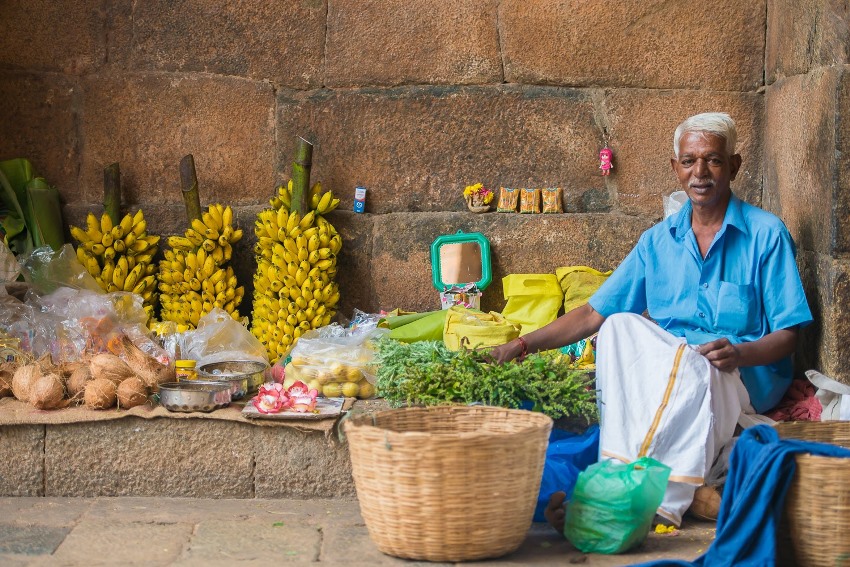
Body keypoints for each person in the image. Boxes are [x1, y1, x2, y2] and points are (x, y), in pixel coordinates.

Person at [490, 112, 813, 529]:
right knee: (619, 326)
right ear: (675, 168)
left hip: (737, 376)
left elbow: (789, 333)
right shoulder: (658, 241)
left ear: (733, 165)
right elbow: (592, 313)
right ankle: (645, 485)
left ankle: (639, 501)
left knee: (697, 364)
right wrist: (521, 345)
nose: (700, 172)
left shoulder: (766, 234)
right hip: (672, 369)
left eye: (713, 160)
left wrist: (739, 353)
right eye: (689, 161)